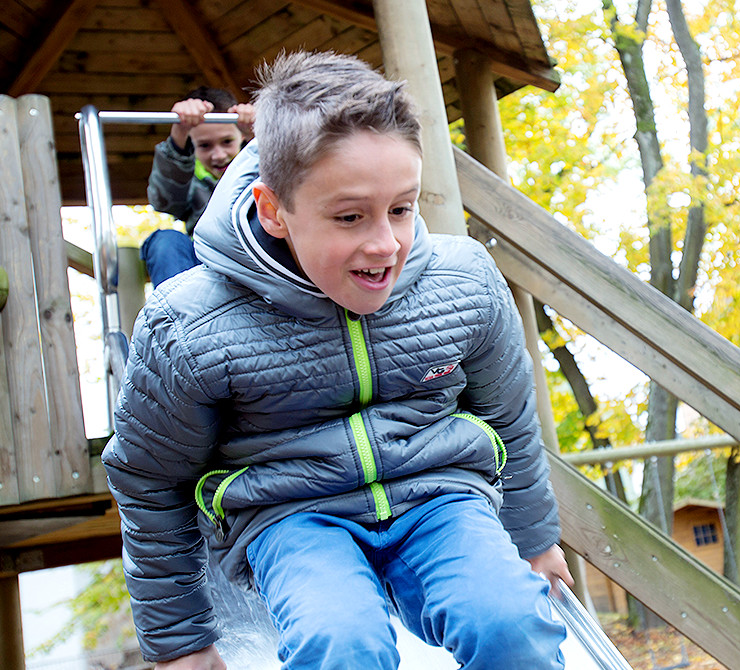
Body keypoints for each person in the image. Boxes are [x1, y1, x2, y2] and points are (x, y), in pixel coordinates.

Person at [102, 50, 571, 670]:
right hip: (292, 514)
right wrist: (180, 641)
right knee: (339, 644)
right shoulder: (190, 325)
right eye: (350, 217)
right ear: (274, 211)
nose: (384, 243)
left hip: (439, 496)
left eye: (401, 208)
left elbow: (509, 417)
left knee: (513, 622)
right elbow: (151, 479)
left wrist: (534, 537)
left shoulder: (462, 282)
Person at [141, 87, 255, 286]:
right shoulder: (187, 174)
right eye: (205, 145)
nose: (218, 155)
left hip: (254, 263)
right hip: (203, 268)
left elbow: (283, 189)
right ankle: (181, 314)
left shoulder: (256, 164)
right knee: (165, 241)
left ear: (242, 137)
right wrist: (178, 136)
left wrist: (260, 140)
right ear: (191, 145)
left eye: (227, 142)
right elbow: (165, 202)